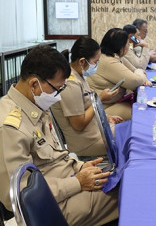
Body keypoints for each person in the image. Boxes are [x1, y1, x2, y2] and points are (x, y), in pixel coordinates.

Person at [0, 45, 118, 225]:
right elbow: (26, 193)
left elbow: (56, 156)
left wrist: (81, 167)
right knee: (125, 192)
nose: (58, 96)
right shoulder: (11, 126)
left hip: (66, 183)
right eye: (57, 89)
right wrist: (77, 182)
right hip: (48, 206)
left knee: (123, 178)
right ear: (34, 84)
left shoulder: (36, 105)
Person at [51, 37, 123, 157]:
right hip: (87, 143)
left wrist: (106, 118)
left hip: (95, 132)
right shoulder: (70, 84)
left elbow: (86, 106)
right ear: (82, 61)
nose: (97, 65)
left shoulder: (79, 77)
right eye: (95, 62)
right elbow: (79, 124)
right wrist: (100, 99)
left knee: (131, 130)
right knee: (131, 138)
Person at [87, 28, 150, 120]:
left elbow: (136, 70)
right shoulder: (109, 62)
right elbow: (136, 80)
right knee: (141, 113)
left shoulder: (115, 56)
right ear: (121, 47)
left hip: (112, 102)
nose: (129, 46)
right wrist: (140, 74)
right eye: (128, 44)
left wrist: (140, 74)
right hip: (104, 107)